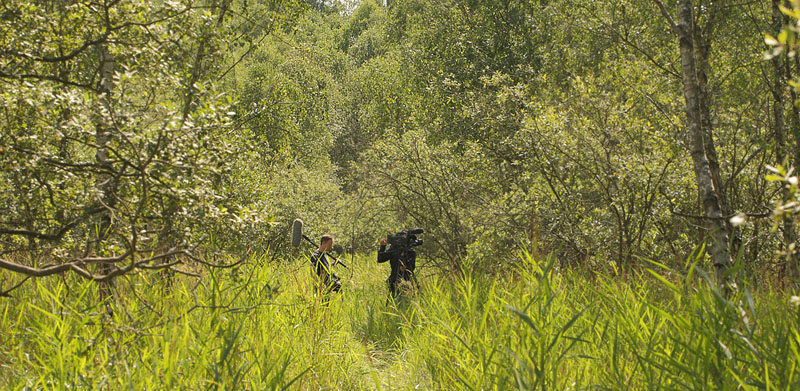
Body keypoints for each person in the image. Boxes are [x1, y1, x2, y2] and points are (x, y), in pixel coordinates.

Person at [377, 235, 417, 299]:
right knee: (393, 298)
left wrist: (405, 269)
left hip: (406, 279)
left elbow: (412, 267)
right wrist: (382, 246)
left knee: (405, 298)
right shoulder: (394, 249)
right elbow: (380, 259)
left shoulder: (410, 252)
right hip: (394, 278)